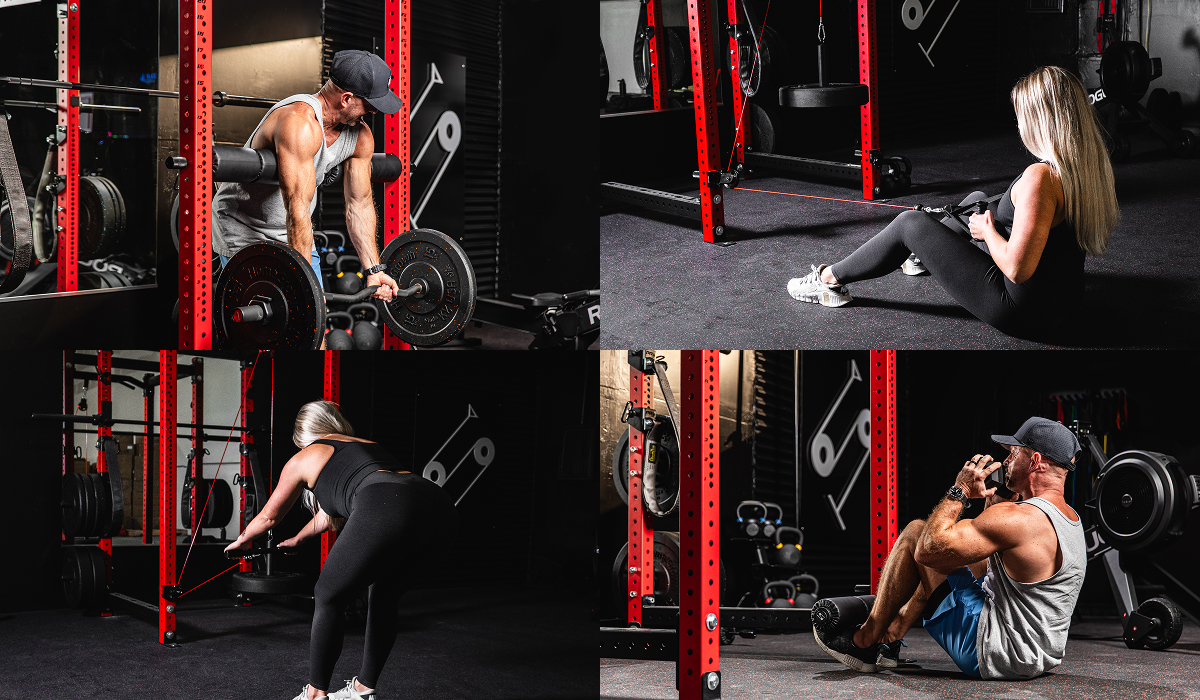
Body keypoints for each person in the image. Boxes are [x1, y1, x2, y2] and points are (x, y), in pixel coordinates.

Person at [787, 66, 1120, 337]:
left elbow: (1018, 270)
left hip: (1023, 310)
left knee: (909, 223)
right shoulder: (1087, 166)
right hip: (1064, 303)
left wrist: (989, 231)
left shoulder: (1040, 178)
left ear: (1039, 121)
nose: (1019, 127)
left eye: (1022, 118)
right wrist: (987, 215)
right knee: (978, 200)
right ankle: (921, 256)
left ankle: (828, 280)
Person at [813, 417, 1086, 679]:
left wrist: (961, 490)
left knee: (916, 533)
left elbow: (928, 549)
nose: (1006, 461)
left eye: (1014, 453)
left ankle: (864, 642)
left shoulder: (1019, 518)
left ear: (1035, 461)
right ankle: (890, 638)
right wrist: (993, 509)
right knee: (951, 556)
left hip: (992, 654)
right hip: (1036, 656)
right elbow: (985, 568)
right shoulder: (1070, 520)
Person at [225, 400, 456, 700]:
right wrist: (299, 538)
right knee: (384, 594)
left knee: (327, 594)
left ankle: (315, 694)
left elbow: (269, 516)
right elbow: (332, 513)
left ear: (303, 437)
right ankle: (362, 691)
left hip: (388, 503)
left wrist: (241, 540)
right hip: (438, 506)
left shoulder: (303, 458)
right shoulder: (363, 445)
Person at [213, 49, 403, 303]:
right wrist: (304, 286)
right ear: (346, 98)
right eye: (369, 105)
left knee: (313, 330)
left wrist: (374, 270)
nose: (374, 112)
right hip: (244, 228)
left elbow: (360, 204)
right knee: (269, 328)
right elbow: (297, 207)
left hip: (292, 231)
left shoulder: (361, 137)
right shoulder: (299, 123)